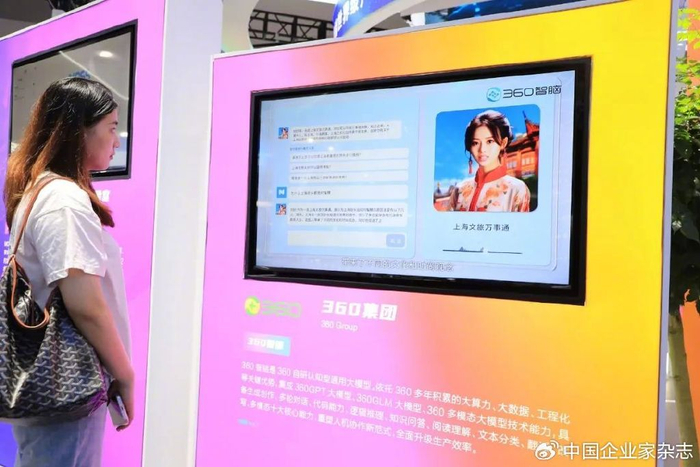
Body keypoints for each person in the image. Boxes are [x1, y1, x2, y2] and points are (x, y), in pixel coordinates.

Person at [3, 77, 134, 466]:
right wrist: (125, 374)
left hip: (53, 380)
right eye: (111, 128)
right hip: (67, 383)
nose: (116, 141)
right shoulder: (64, 200)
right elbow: (86, 306)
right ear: (80, 131)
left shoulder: (41, 190)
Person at [450, 110, 530, 212]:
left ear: (503, 143)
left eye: (489, 141)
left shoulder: (517, 189)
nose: (482, 149)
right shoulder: (459, 189)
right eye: (475, 143)